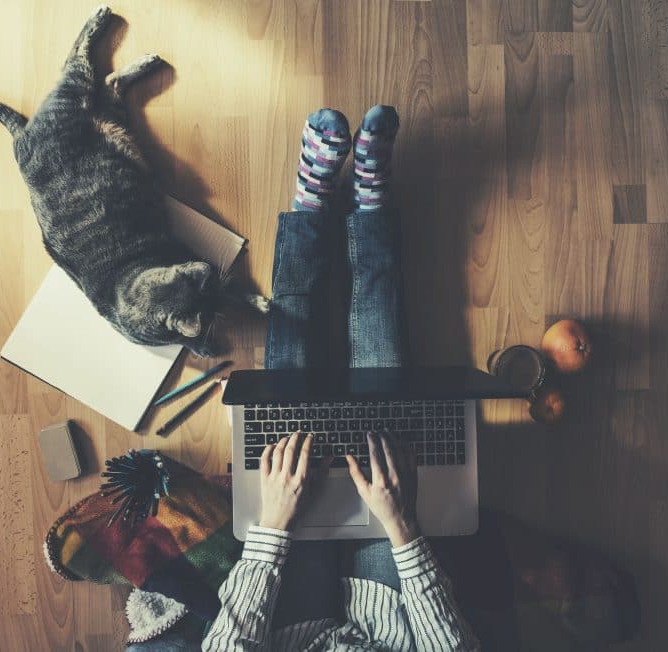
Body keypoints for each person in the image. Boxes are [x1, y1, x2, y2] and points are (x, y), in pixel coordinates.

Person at [201, 106, 480, 651]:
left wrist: (274, 526)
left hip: (288, 625)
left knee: (287, 404)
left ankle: (310, 205)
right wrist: (402, 526)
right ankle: (370, 205)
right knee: (383, 398)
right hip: (387, 627)